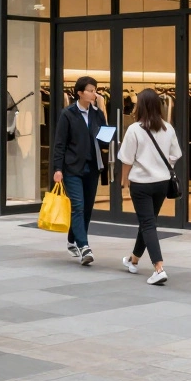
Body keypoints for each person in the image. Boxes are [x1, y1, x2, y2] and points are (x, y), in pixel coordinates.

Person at [118, 88, 182, 286]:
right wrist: (163, 168)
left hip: (141, 184)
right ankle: (134, 259)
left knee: (148, 223)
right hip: (162, 183)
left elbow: (127, 159)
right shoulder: (167, 128)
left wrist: (124, 180)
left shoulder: (135, 129)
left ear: (141, 106)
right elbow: (175, 155)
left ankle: (159, 267)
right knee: (149, 221)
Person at [51, 76, 111, 266]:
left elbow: (103, 141)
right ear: (80, 93)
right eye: (91, 90)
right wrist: (57, 168)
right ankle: (85, 246)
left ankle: (73, 239)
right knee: (78, 206)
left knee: (86, 209)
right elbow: (60, 143)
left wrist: (107, 134)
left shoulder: (97, 113)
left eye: (95, 90)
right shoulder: (68, 114)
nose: (95, 93)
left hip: (92, 167)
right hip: (72, 168)